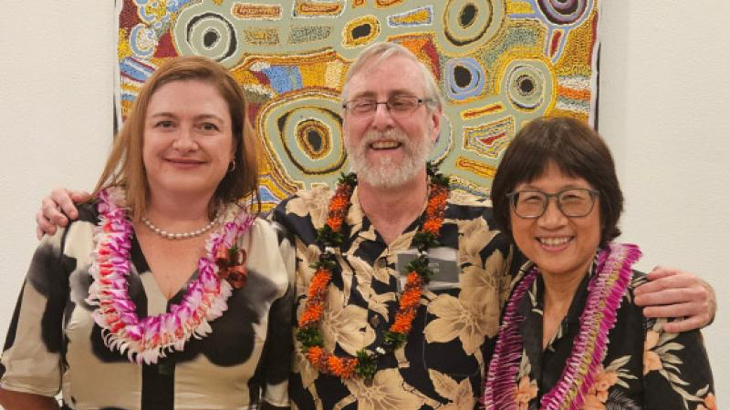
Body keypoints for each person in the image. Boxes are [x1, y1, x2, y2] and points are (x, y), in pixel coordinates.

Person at [33, 43, 716, 409]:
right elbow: (183, 218)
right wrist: (86, 209)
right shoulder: (286, 227)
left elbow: (577, 262)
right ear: (343, 127)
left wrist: (690, 294)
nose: (383, 119)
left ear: (435, 122)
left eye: (401, 102)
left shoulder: (494, 228)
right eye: (364, 105)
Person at [0, 56, 294, 409]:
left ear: (233, 147)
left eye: (208, 127)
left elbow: (281, 398)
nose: (185, 143)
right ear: (139, 138)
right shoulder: (72, 235)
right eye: (166, 123)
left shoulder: (270, 249)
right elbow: (22, 388)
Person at [484, 116, 714, 408]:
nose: (551, 219)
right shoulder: (505, 302)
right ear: (508, 211)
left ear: (605, 207)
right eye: (531, 199)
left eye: (572, 197)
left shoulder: (658, 311)